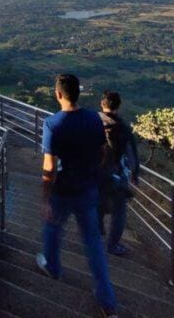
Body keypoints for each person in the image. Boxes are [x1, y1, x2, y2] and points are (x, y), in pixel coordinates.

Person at [36, 74, 118, 317]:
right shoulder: (94, 118)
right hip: (88, 190)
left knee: (52, 228)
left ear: (58, 94)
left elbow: (49, 168)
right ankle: (108, 301)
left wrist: (44, 197)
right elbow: (103, 151)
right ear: (77, 94)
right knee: (93, 243)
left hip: (62, 190)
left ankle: (52, 266)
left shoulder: (53, 124)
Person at [98, 90, 140, 257]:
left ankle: (96, 236)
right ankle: (113, 245)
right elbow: (132, 155)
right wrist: (135, 174)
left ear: (102, 104)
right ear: (119, 106)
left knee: (97, 206)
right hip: (117, 176)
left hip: (95, 174)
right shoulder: (123, 128)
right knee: (119, 213)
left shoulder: (93, 121)